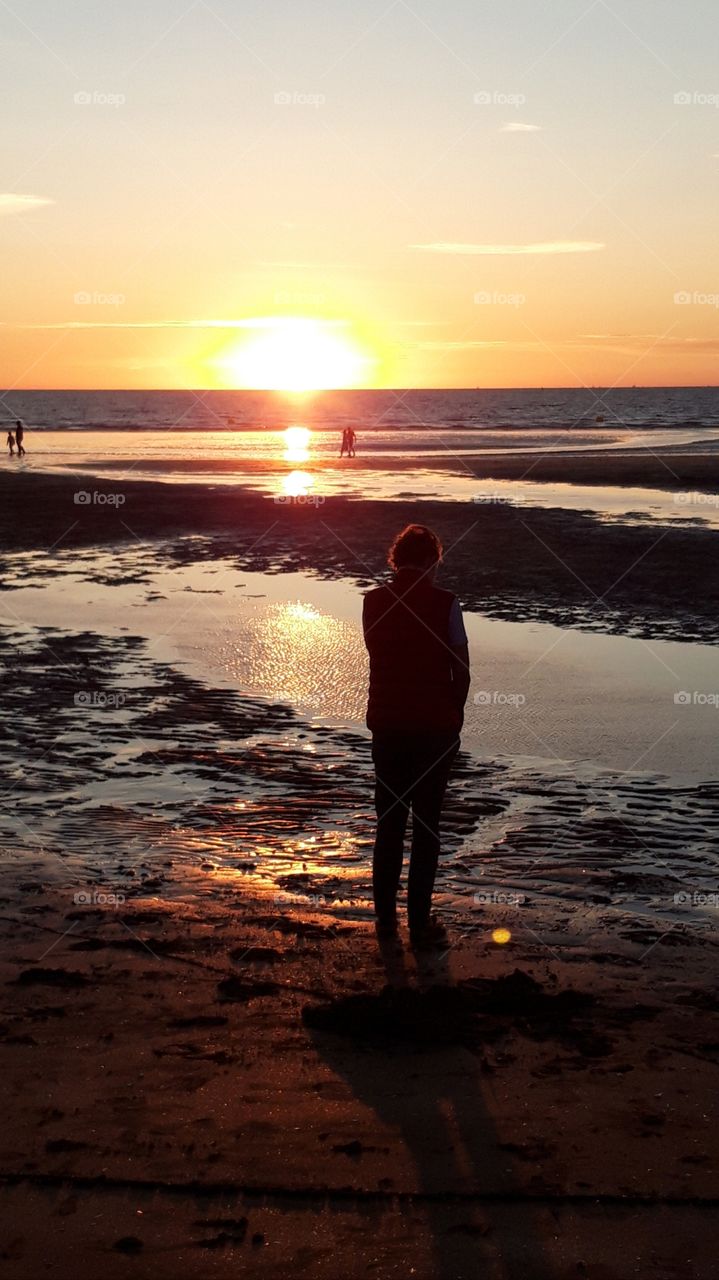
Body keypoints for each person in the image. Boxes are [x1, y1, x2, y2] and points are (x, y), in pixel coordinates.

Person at [362, 524, 470, 948]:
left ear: (396, 560)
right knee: (426, 826)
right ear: (430, 561)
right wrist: (456, 716)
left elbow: (380, 655)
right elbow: (461, 668)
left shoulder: (373, 602)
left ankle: (385, 922)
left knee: (389, 824)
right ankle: (420, 923)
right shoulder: (446, 603)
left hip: (387, 725)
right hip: (433, 728)